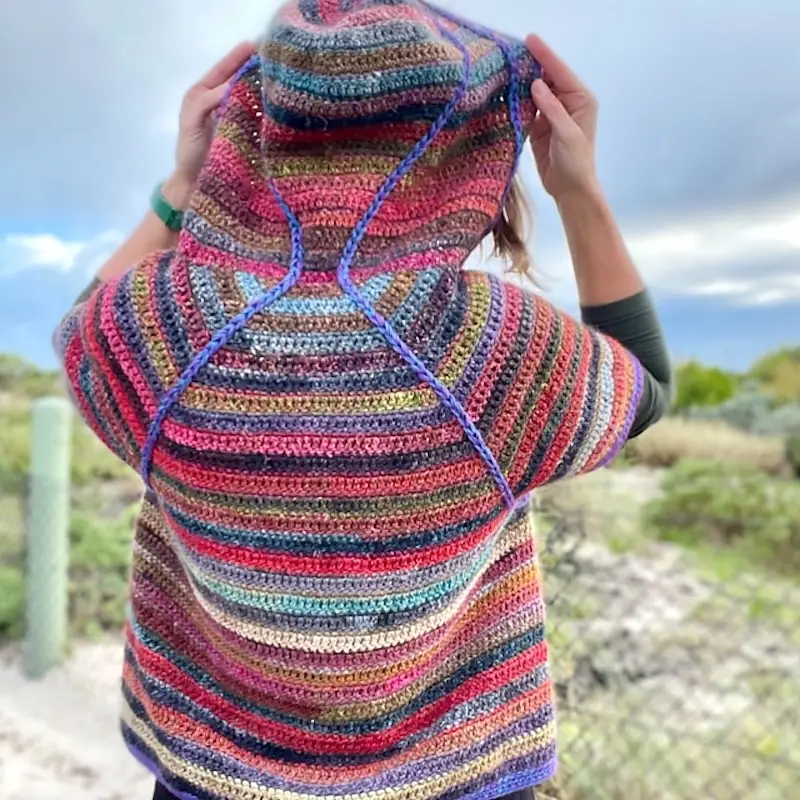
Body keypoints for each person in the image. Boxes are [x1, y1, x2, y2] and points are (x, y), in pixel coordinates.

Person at [54, 2, 672, 799]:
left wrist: (179, 188)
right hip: (457, 777)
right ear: (463, 146)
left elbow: (80, 337)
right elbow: (646, 388)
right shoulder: (489, 347)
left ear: (251, 135)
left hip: (209, 773)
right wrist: (580, 195)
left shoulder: (170, 333)